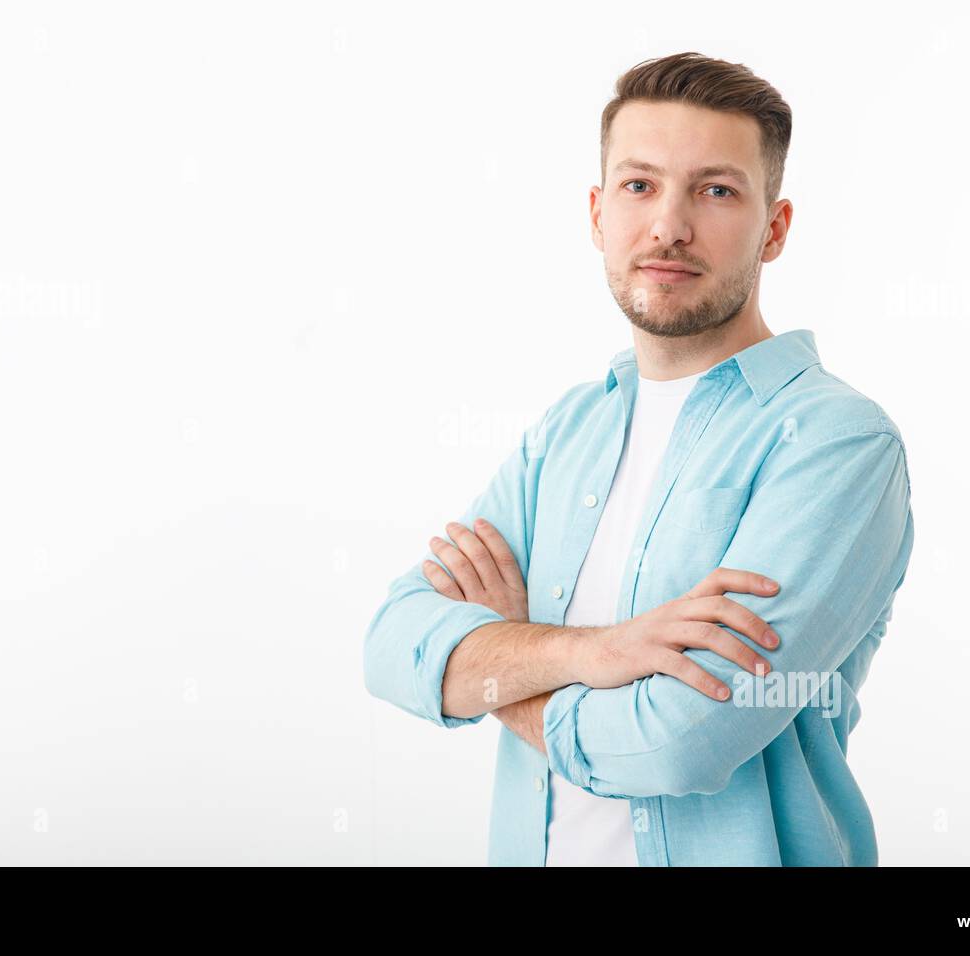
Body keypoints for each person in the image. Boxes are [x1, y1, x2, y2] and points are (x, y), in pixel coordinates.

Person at [363, 52, 915, 866]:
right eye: (639, 185)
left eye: (716, 190)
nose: (669, 226)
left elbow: (677, 745)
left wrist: (503, 656)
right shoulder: (570, 430)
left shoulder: (837, 445)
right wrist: (589, 652)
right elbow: (392, 644)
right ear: (596, 213)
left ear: (776, 227)